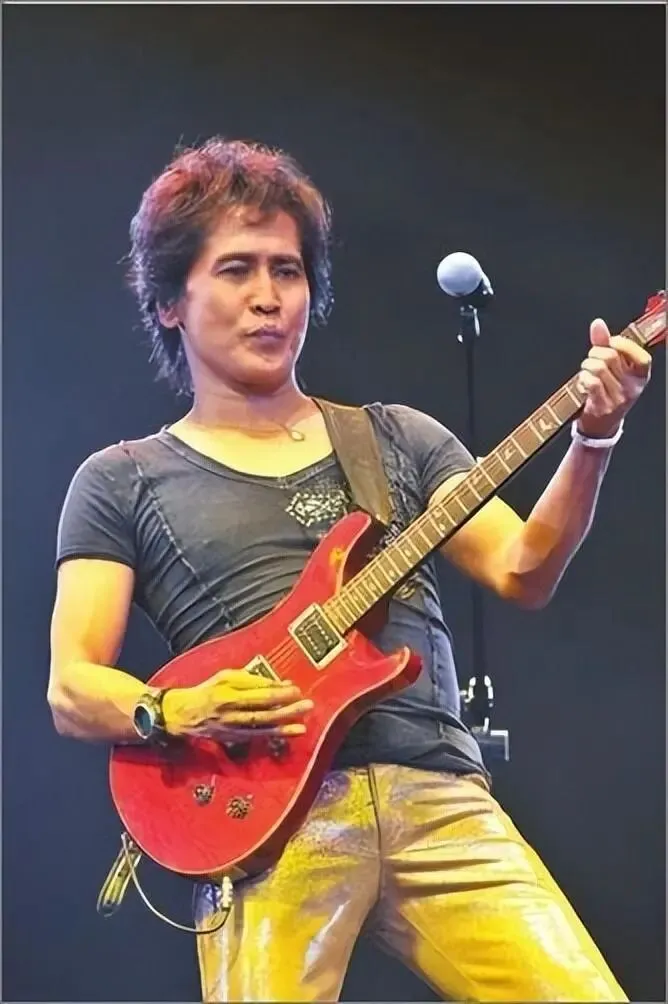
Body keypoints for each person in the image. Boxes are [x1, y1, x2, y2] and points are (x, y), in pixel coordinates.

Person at [48, 137, 652, 1003]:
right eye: (236, 270)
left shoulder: (396, 438)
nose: (268, 296)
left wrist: (594, 437)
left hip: (437, 795)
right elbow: (72, 686)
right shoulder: (122, 479)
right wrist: (175, 708)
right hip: (265, 819)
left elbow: (524, 569)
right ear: (171, 300)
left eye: (288, 271)